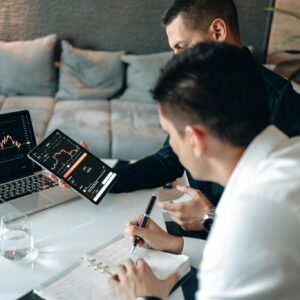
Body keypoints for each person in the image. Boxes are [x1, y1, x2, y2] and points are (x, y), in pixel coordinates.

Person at [55, 0, 300, 234]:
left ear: (217, 31)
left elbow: (287, 218)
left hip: (241, 246)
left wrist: (211, 218)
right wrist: (96, 177)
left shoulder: (281, 101)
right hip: (200, 231)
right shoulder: (197, 88)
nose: (177, 58)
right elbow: (167, 160)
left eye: (182, 47)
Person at [108, 42, 300, 300]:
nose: (170, 145)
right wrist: (177, 244)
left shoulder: (247, 219)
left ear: (195, 140)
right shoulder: (289, 155)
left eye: (170, 133)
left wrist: (146, 297)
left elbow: (237, 251)